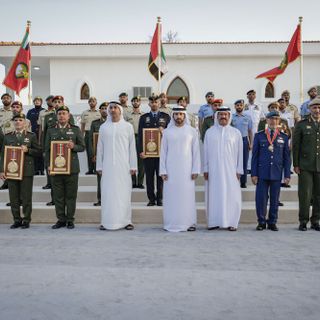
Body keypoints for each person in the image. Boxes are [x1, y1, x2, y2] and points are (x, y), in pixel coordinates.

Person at [96, 101, 137, 230]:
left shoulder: (128, 127)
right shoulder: (103, 127)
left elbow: (132, 148)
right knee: (108, 193)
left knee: (124, 193)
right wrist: (99, 166)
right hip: (107, 167)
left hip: (123, 166)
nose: (113, 110)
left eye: (115, 108)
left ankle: (126, 221)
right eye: (111, 108)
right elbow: (100, 148)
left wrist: (133, 166)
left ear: (120, 110)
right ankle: (106, 221)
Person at [160, 107, 200, 232]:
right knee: (172, 197)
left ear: (184, 115)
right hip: (171, 171)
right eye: (176, 114)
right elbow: (163, 152)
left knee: (187, 197)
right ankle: (171, 222)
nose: (178, 117)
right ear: (173, 116)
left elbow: (196, 152)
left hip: (187, 171)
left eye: (181, 114)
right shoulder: (167, 132)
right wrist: (163, 170)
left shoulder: (192, 131)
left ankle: (189, 223)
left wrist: (195, 169)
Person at [45, 105, 85, 229]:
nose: (62, 115)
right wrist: (48, 166)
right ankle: (61, 219)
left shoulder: (75, 129)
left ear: (68, 116)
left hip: (72, 169)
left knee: (71, 195)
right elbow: (47, 150)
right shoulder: (51, 130)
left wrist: (74, 146)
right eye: (60, 113)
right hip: (56, 169)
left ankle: (70, 219)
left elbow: (82, 147)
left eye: (64, 113)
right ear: (56, 116)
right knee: (58, 196)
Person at [203, 106, 243, 231]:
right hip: (213, 170)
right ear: (217, 116)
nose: (223, 117)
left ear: (229, 116)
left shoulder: (236, 133)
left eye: (225, 114)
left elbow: (240, 153)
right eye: (220, 114)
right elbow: (205, 152)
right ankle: (214, 222)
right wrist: (206, 168)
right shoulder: (210, 132)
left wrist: (239, 169)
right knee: (214, 195)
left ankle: (232, 222)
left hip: (231, 171)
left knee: (232, 195)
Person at [0, 113, 41, 229]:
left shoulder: (31, 136)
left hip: (26, 171)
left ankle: (26, 219)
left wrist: (28, 150)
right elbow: (3, 154)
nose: (18, 122)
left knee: (26, 197)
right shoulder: (7, 136)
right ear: (13, 122)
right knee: (13, 197)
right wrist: (2, 170)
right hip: (12, 171)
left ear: (25, 122)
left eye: (20, 120)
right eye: (16, 120)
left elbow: (38, 152)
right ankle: (17, 219)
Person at [251, 111, 291, 231]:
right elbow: (255, 156)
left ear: (279, 121)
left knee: (275, 199)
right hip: (262, 172)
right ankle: (261, 221)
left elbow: (287, 158)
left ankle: (272, 221)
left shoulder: (283, 137)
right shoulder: (259, 136)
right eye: (271, 119)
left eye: (276, 119)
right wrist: (254, 174)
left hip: (276, 172)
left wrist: (287, 175)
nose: (273, 121)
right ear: (267, 120)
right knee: (261, 199)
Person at [293, 97, 320, 231]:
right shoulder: (302, 124)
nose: (317, 110)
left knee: (318, 195)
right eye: (314, 107)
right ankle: (303, 221)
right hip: (305, 165)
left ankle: (316, 221)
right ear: (310, 109)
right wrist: (296, 164)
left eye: (319, 108)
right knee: (305, 195)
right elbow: (296, 145)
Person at [138, 95, 170, 206]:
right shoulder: (143, 118)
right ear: (149, 104)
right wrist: (141, 151)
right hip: (148, 154)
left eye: (156, 102)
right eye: (152, 102)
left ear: (159, 103)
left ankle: (160, 199)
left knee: (161, 177)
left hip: (162, 153)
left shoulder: (166, 117)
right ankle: (151, 199)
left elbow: (170, 135)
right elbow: (140, 137)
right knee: (149, 178)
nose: (154, 104)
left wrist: (164, 131)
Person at [42, 95, 75, 206]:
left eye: (59, 101)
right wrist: (44, 150)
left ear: (62, 102)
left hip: (66, 152)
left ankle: (64, 200)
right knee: (53, 178)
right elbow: (45, 134)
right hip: (53, 152)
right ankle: (54, 199)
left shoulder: (68, 115)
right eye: (55, 101)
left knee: (65, 179)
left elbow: (72, 131)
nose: (56, 103)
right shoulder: (48, 117)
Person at [89, 101, 108, 206]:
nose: (105, 110)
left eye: (106, 108)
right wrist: (93, 154)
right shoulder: (95, 123)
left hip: (111, 156)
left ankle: (109, 199)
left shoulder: (113, 123)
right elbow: (91, 141)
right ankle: (100, 199)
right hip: (99, 155)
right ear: (99, 110)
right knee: (100, 178)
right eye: (103, 108)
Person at [232, 99, 253, 188]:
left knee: (244, 161)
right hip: (233, 141)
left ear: (243, 106)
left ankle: (243, 182)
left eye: (240, 105)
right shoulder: (231, 117)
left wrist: (251, 143)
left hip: (244, 140)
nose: (239, 107)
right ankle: (233, 180)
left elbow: (250, 131)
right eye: (237, 105)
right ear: (235, 106)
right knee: (233, 161)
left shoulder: (247, 117)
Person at [126, 96, 145, 188]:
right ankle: (133, 182)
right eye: (134, 101)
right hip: (131, 137)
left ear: (140, 102)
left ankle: (140, 182)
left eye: (137, 101)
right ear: (131, 103)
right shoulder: (127, 116)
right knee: (131, 159)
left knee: (141, 160)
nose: (135, 102)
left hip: (141, 138)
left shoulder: (144, 115)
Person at [81, 97, 101, 175]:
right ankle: (90, 169)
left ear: (96, 103)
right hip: (88, 133)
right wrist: (81, 136)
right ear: (88, 103)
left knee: (97, 151)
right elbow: (82, 125)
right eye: (90, 101)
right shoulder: (84, 113)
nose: (92, 103)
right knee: (89, 152)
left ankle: (97, 169)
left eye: (93, 101)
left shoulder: (99, 113)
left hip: (97, 134)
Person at [38, 95, 55, 190]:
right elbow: (41, 127)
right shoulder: (42, 112)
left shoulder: (57, 113)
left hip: (55, 137)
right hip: (45, 136)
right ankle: (49, 182)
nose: (51, 101)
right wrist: (40, 140)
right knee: (47, 161)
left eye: (52, 100)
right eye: (49, 100)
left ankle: (54, 183)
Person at [26, 96, 45, 175]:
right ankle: (36, 170)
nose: (37, 102)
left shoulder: (44, 111)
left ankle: (42, 169)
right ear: (33, 102)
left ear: (41, 102)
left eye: (38, 101)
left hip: (41, 134)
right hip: (33, 134)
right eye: (35, 101)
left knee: (41, 152)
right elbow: (27, 122)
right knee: (34, 152)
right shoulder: (30, 111)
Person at [0, 93, 13, 190]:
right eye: (3, 98)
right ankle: (5, 181)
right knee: (2, 159)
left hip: (11, 138)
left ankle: (11, 181)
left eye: (7, 98)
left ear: (11, 99)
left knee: (10, 159)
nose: (5, 99)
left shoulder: (14, 112)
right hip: (0, 137)